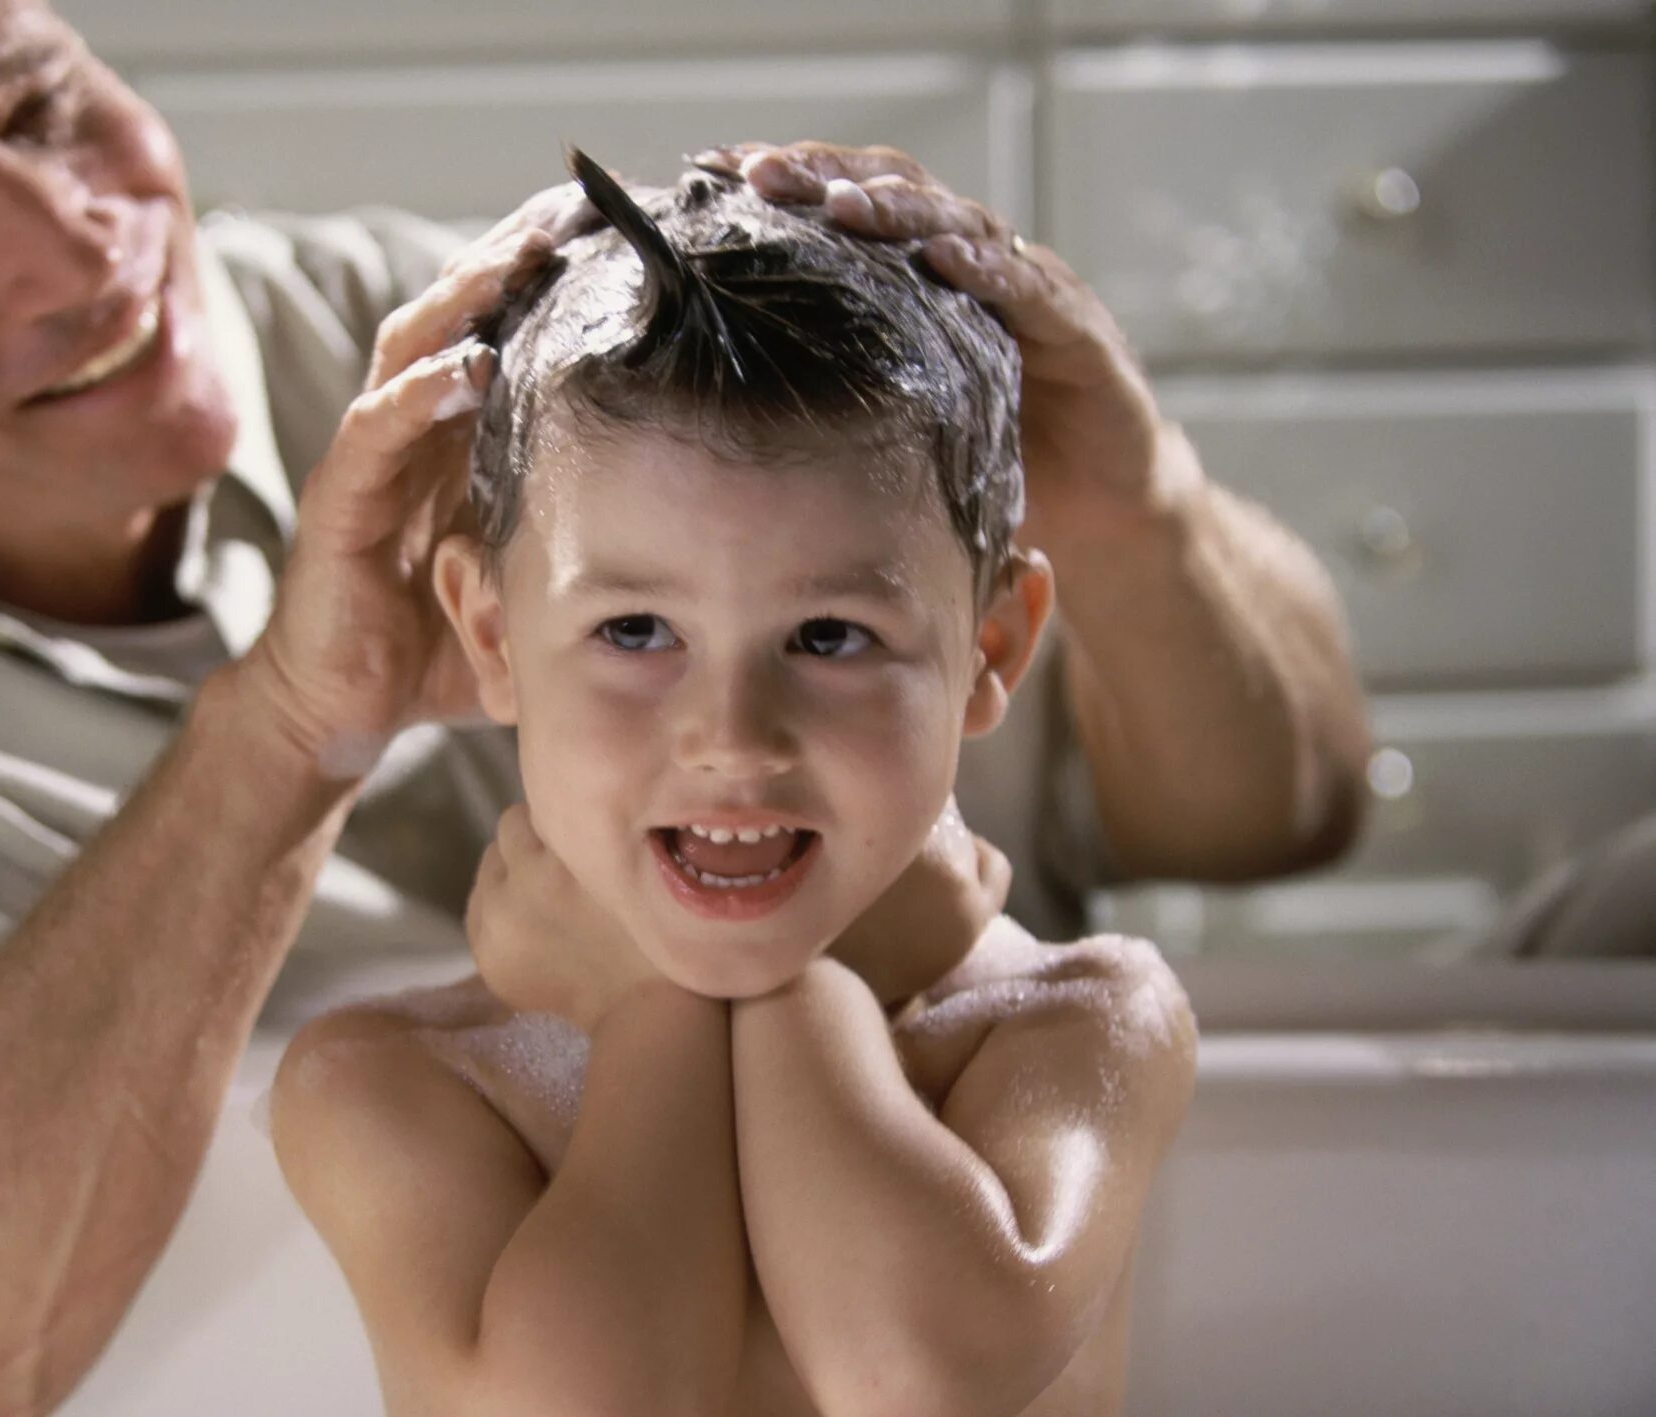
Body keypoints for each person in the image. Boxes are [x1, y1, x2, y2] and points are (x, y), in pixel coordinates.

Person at [0, 0, 1368, 1410]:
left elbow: (1271, 814)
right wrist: (286, 731)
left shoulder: (500, 358)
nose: (72, 243)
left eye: (39, 102)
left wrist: (1137, 511)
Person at [270, 153, 1198, 1417]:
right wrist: (659, 1012)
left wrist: (793, 997)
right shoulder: (397, 1081)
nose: (732, 738)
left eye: (826, 636)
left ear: (989, 650)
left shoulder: (1075, 1019)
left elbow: (914, 1376)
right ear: (491, 639)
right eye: (637, 631)